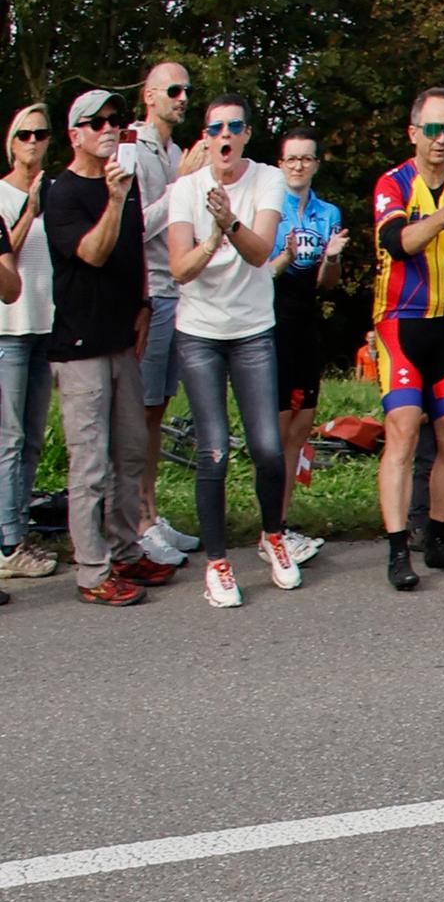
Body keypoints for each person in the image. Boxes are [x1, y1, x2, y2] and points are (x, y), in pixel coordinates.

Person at [160, 94, 303, 605]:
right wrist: (212, 235)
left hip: (252, 331)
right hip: (199, 332)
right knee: (214, 451)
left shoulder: (267, 179)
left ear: (245, 134)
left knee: (267, 447)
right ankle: (218, 565)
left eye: (234, 127)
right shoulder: (185, 190)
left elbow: (263, 252)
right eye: (215, 127)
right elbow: (179, 269)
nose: (224, 136)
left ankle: (273, 537)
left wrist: (230, 223)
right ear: (205, 137)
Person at [369, 87, 444, 589]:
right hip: (399, 321)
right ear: (414, 133)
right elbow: (398, 242)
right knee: (401, 428)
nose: (442, 140)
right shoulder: (394, 183)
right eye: (433, 130)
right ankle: (399, 549)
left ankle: (437, 536)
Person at [46, 90, 158, 605]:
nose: (108, 128)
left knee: (130, 454)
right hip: (80, 345)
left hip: (121, 339)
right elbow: (91, 253)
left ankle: (126, 550)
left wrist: (144, 305)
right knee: (90, 464)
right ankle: (92, 571)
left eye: (115, 120)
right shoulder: (63, 192)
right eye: (96, 123)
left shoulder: (125, 183)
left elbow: (133, 251)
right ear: (75, 135)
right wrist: (114, 199)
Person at [119, 60, 195, 564]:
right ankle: (135, 519)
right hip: (150, 292)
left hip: (180, 289)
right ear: (149, 96)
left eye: (187, 90)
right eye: (173, 89)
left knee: (159, 408)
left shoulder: (176, 150)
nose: (183, 97)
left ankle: (150, 507)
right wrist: (179, 186)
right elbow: (135, 226)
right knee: (139, 409)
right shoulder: (131, 149)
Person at [268, 129, 350, 515]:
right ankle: (270, 523)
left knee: (302, 427)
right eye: (291, 159)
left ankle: (282, 521)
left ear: (316, 164)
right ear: (280, 164)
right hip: (272, 320)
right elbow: (260, 273)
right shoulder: (268, 207)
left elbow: (326, 285)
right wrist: (284, 257)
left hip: (307, 320)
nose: (298, 165)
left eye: (306, 158)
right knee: (278, 428)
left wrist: (332, 258)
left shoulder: (327, 213)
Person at [1, 103, 54, 583]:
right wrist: (29, 210)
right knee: (9, 439)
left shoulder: (54, 191)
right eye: (24, 135)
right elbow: (5, 257)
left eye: (41, 135)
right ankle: (7, 542)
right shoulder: (1, 194)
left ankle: (17, 529)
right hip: (8, 329)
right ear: (11, 143)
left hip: (45, 327)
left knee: (33, 439)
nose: (33, 143)